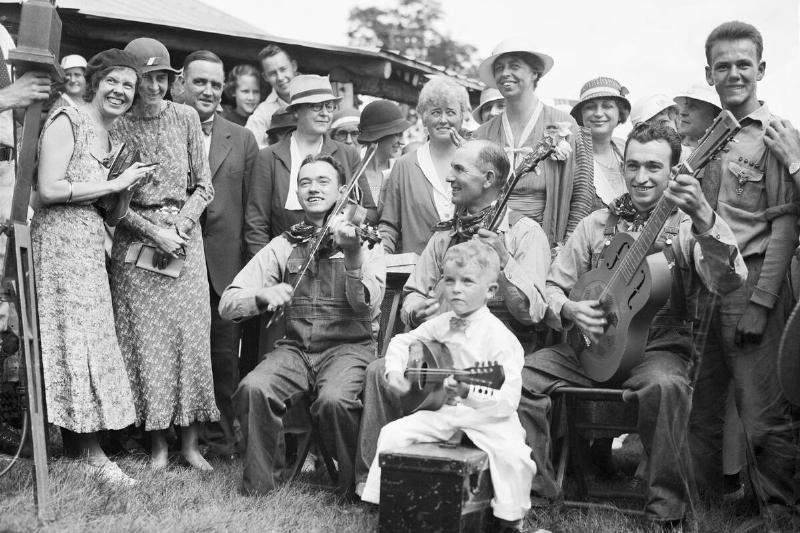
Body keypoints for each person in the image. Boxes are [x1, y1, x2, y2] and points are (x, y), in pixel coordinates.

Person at [519, 122, 747, 525]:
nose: (641, 178)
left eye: (655, 167)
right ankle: (541, 490)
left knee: (667, 386)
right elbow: (554, 285)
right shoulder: (595, 223)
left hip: (655, 348)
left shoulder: (688, 228)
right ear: (623, 167)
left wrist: (704, 215)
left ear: (676, 171)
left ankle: (665, 512)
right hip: (591, 347)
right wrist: (570, 311)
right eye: (634, 166)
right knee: (520, 379)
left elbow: (730, 280)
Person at [355, 139, 550, 495]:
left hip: (492, 351)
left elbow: (532, 314)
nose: (449, 177)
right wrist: (416, 309)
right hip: (442, 348)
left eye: (460, 169)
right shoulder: (446, 234)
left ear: (489, 178)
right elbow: (414, 293)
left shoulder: (525, 233)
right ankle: (374, 482)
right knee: (378, 370)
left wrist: (505, 262)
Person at [220, 154, 386, 496]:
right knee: (254, 387)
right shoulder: (286, 243)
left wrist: (353, 256)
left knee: (336, 400)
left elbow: (367, 304)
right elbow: (228, 303)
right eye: (305, 182)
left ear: (342, 190)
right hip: (295, 350)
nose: (313, 188)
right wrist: (263, 296)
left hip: (349, 349)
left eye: (322, 182)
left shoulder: (364, 241)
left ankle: (353, 486)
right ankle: (260, 488)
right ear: (296, 191)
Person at [689, 21, 800, 527]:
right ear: (708, 74)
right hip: (706, 283)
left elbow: (784, 228)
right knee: (710, 402)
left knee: (761, 412)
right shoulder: (708, 136)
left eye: (742, 64)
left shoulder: (776, 136)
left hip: (752, 282)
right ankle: (728, 498)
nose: (733, 73)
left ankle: (778, 512)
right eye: (722, 66)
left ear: (761, 69)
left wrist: (760, 303)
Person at [32, 49, 151, 484]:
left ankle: (81, 449)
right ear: (95, 81)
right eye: (114, 82)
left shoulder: (111, 137)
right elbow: (49, 187)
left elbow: (111, 214)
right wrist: (113, 183)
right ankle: (90, 454)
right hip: (60, 243)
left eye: (129, 87)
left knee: (88, 343)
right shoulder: (68, 118)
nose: (120, 92)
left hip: (88, 246)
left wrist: (124, 192)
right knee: (73, 342)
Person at [360, 240, 535, 533]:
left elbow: (508, 401)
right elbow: (402, 341)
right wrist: (393, 371)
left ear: (491, 291)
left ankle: (510, 520)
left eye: (467, 282)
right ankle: (385, 507)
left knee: (514, 457)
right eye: (450, 280)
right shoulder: (442, 323)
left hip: (488, 418)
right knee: (392, 433)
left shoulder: (501, 339)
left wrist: (470, 391)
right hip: (442, 411)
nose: (456, 289)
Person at [109, 37, 218, 471]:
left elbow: (205, 186)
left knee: (190, 343)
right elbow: (112, 202)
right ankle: (156, 445)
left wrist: (180, 228)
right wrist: (154, 232)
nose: (154, 86)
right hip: (136, 244)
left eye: (161, 78)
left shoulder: (187, 117)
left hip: (184, 243)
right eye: (146, 78)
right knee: (145, 344)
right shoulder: (118, 124)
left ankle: (190, 445)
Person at [180, 50, 259, 460]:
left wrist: (247, 274)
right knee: (175, 355)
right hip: (173, 264)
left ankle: (221, 441)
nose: (208, 90)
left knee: (224, 359)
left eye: (215, 83)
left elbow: (251, 209)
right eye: (200, 82)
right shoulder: (168, 127)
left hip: (224, 269)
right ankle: (168, 438)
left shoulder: (241, 138)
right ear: (182, 83)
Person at [474, 37, 589, 247]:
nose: (505, 73)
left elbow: (581, 193)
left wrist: (565, 249)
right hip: (489, 242)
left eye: (514, 66)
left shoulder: (564, 125)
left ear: (534, 72)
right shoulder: (482, 135)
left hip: (546, 242)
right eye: (499, 68)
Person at [244, 74, 362, 258]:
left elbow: (366, 209)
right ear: (296, 112)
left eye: (329, 106)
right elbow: (256, 225)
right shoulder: (268, 157)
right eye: (316, 106)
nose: (325, 113)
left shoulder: (348, 154)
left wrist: (343, 225)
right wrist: (267, 271)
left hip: (338, 263)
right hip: (281, 264)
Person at [379, 76, 469, 255]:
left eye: (450, 112)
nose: (443, 120)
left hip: (467, 274)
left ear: (462, 116)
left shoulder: (476, 160)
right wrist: (380, 260)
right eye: (436, 112)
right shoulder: (404, 166)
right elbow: (389, 226)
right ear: (424, 117)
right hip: (417, 276)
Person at [570, 76, 631, 211]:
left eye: (607, 106)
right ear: (581, 115)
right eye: (590, 107)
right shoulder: (569, 154)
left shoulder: (626, 150)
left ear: (620, 114)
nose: (598, 113)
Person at [357, 99, 412, 214]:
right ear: (378, 136)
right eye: (397, 135)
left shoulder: (401, 171)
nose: (402, 142)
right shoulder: (354, 176)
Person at [245, 44, 298, 148]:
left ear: (294, 66)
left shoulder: (314, 94)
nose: (280, 77)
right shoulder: (263, 112)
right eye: (273, 73)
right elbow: (247, 147)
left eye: (283, 69)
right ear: (265, 77)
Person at [674, 85, 721, 149]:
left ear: (715, 116)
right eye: (685, 104)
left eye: (693, 107)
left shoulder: (727, 154)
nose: (682, 112)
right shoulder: (668, 149)